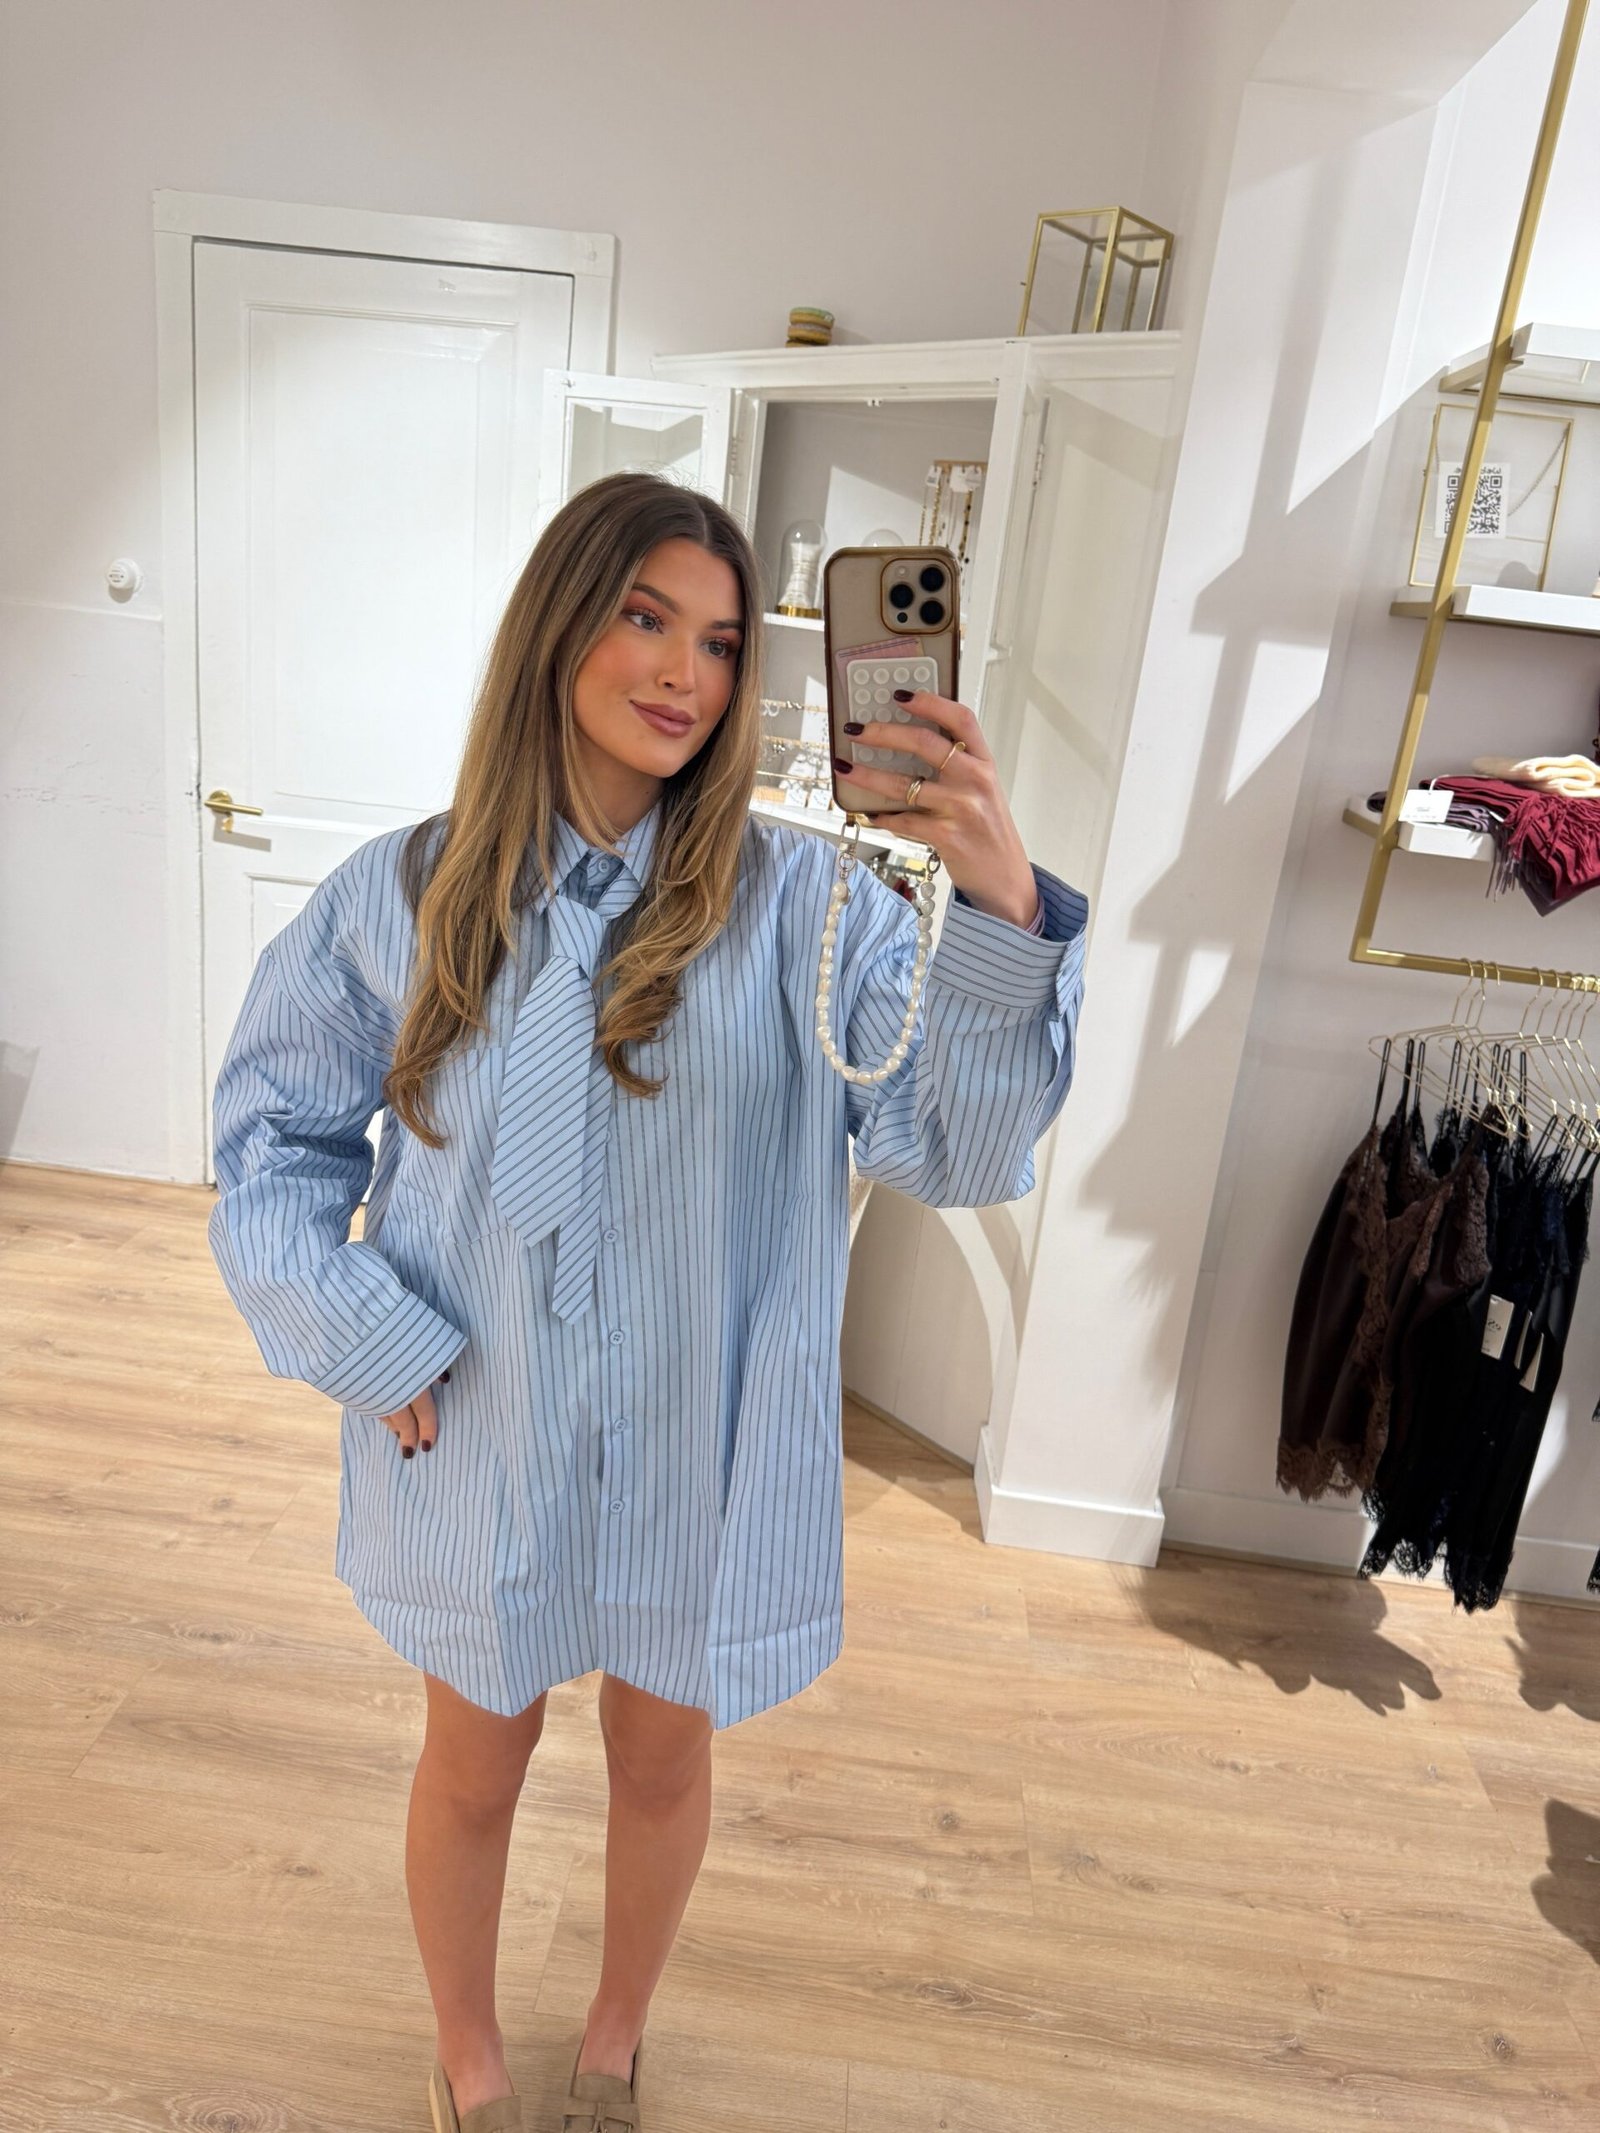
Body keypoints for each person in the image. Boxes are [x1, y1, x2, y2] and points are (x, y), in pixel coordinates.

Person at [207, 470, 1090, 2133]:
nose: (687, 671)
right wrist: (357, 1329)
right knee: (475, 1760)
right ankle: (469, 2057)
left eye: (723, 641)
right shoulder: (400, 896)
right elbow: (270, 1141)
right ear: (560, 625)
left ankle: (614, 2041)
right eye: (645, 617)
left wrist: (1000, 918)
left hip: (701, 1427)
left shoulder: (814, 910)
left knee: (665, 1754)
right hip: (475, 1411)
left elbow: (961, 1148)